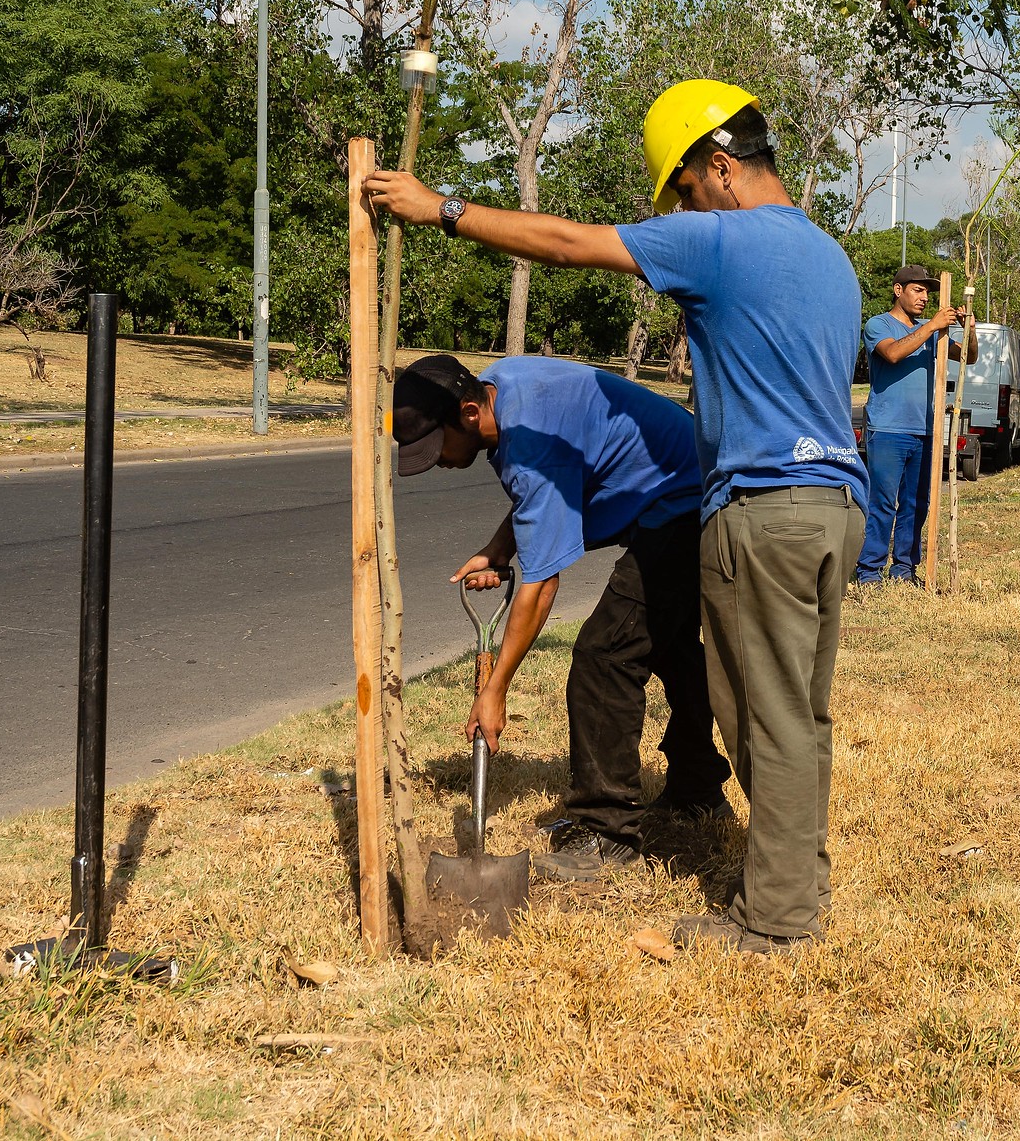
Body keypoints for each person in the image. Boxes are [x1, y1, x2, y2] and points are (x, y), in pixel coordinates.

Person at [366, 80, 865, 955]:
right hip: (834, 507)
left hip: (761, 509)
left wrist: (437, 208)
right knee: (799, 714)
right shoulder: (830, 256)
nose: (680, 212)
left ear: (719, 167)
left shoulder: (722, 240)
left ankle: (779, 921)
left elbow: (564, 242)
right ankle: (797, 886)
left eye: (681, 192)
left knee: (761, 717)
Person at [391, 353, 731, 882]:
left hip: (684, 500)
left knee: (605, 654)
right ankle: (698, 788)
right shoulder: (504, 388)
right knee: (669, 643)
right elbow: (543, 493)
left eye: (435, 448)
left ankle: (606, 831)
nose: (435, 462)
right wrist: (498, 549)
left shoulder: (528, 445)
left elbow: (543, 583)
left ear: (468, 413)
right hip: (679, 485)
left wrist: (495, 688)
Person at [855, 265, 975, 586]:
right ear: (898, 290)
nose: (924, 297)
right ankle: (869, 572)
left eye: (927, 292)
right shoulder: (878, 324)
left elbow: (969, 357)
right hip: (888, 429)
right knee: (882, 502)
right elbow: (893, 353)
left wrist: (970, 328)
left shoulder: (932, 330)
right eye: (917, 290)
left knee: (915, 505)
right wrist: (933, 326)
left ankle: (904, 572)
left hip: (926, 430)